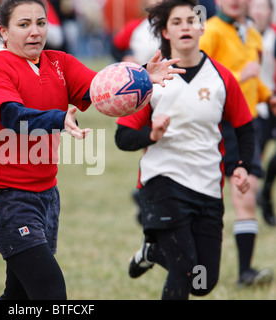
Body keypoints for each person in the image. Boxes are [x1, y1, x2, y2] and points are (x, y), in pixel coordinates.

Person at [0, 0, 185, 300]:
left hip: (47, 195)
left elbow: (100, 88)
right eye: (24, 24)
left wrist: (141, 77)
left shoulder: (59, 62)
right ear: (3, 31)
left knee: (19, 297)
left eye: (41, 23)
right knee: (50, 291)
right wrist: (60, 119)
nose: (35, 32)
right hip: (6, 198)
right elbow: (13, 117)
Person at [116, 0, 255, 300]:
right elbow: (123, 137)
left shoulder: (222, 77)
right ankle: (161, 249)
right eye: (177, 22)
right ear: (165, 31)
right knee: (183, 267)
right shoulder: (150, 79)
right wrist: (150, 134)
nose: (185, 27)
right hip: (163, 183)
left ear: (202, 26)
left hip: (207, 187)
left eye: (192, 20)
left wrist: (242, 164)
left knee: (202, 283)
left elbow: (245, 127)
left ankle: (152, 251)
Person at [199, 0, 276, 287]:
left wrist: (268, 96)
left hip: (249, 123)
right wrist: (239, 76)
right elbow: (199, 75)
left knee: (247, 191)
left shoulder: (252, 33)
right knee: (206, 198)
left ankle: (245, 272)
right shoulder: (212, 32)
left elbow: (254, 81)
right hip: (220, 124)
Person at [249, 0, 276, 226]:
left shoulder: (274, 36)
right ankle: (253, 202)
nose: (259, 11)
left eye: (263, 7)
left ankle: (266, 194)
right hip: (253, 106)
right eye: (255, 6)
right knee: (254, 160)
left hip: (273, 102)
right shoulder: (242, 36)